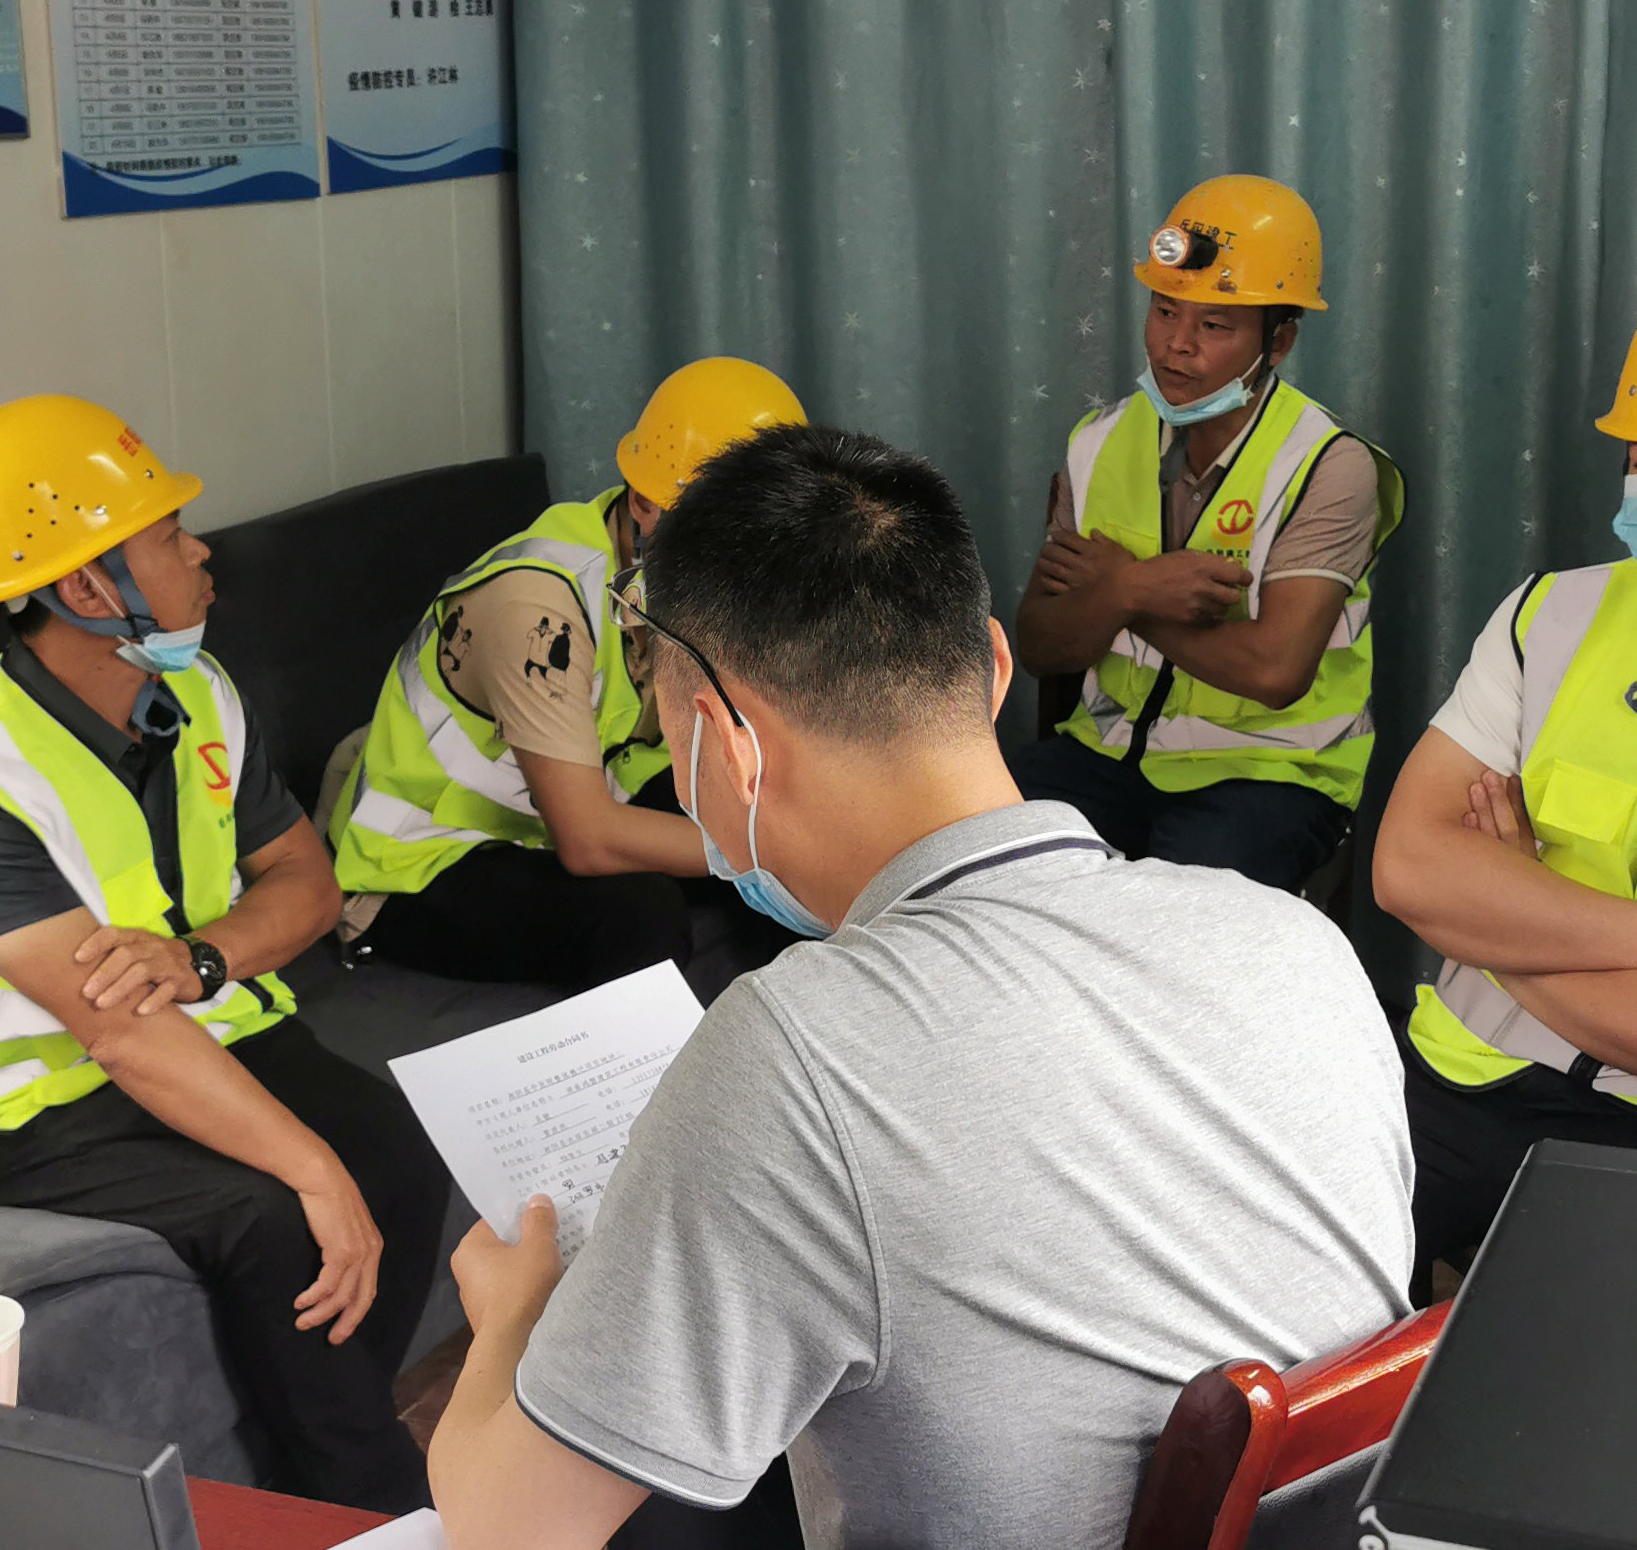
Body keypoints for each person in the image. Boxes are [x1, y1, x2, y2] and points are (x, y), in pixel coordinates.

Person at [424, 424, 1415, 1550]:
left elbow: (506, 1528)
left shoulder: (795, 1049)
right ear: (994, 668)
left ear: (727, 746)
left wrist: (510, 1319)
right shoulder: (1295, 939)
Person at [0, 395, 448, 1513]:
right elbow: (118, 1034)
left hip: (184, 1029)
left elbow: (306, 883)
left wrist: (204, 959)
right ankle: (377, 1501)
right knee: (275, 1214)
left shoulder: (195, 694)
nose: (201, 552)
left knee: (399, 1151)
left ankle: (320, 1468)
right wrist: (312, 1169)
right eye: (169, 536)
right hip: (12, 1116)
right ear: (86, 589)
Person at [326, 357, 806, 985]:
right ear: (645, 504)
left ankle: (828, 1013)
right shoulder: (536, 608)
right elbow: (587, 841)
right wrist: (770, 853)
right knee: (643, 914)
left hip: (576, 794)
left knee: (773, 807)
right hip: (426, 856)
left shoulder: (677, 573)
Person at [1012, 175, 1406, 889]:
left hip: (1270, 773)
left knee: (1182, 917)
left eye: (1214, 327)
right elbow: (1039, 646)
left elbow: (1274, 672)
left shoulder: (1328, 465)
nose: (1176, 346)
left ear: (1278, 342)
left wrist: (1121, 595)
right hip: (1105, 753)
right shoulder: (1097, 441)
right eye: (1166, 311)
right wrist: (1135, 588)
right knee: (972, 856)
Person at [1374, 324, 1637, 1306]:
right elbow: (1406, 869)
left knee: (1544, 1376)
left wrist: (1496, 919)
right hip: (1454, 1071)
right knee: (1283, 1318)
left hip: (1622, 1133)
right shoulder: (1550, 614)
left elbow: (1445, 897)